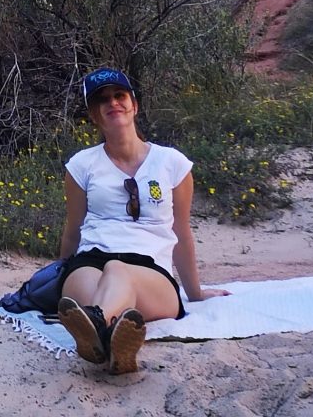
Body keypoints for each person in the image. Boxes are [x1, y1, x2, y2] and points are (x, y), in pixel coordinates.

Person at [54, 67, 227, 375]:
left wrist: (195, 292)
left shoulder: (172, 163)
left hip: (150, 271)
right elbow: (73, 230)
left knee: (118, 271)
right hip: (90, 262)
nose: (113, 103)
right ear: (94, 115)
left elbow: (181, 232)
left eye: (119, 95)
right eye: (102, 100)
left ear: (134, 104)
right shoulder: (82, 165)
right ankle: (113, 336)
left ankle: (97, 324)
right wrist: (58, 275)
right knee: (101, 277)